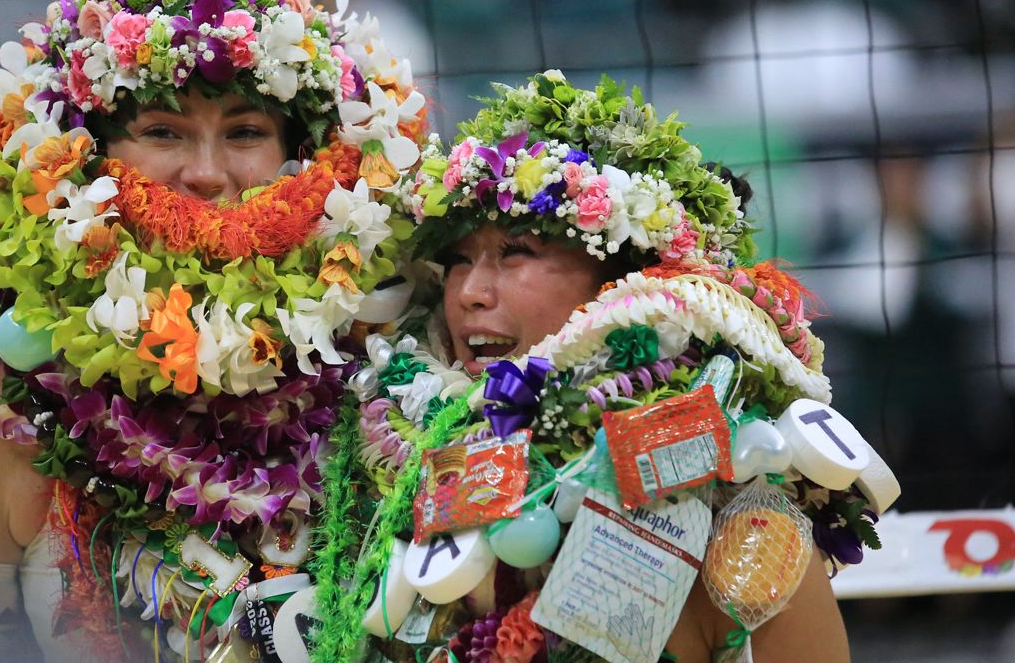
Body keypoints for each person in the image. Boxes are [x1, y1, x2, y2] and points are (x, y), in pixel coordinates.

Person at [0, 0, 426, 661]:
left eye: (244, 132)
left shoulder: (375, 364)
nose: (206, 174)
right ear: (80, 153)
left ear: (300, 157)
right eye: (162, 131)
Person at [307, 72, 890, 662]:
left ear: (620, 283)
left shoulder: (739, 516)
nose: (470, 293)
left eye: (517, 252)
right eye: (458, 259)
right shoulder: (370, 468)